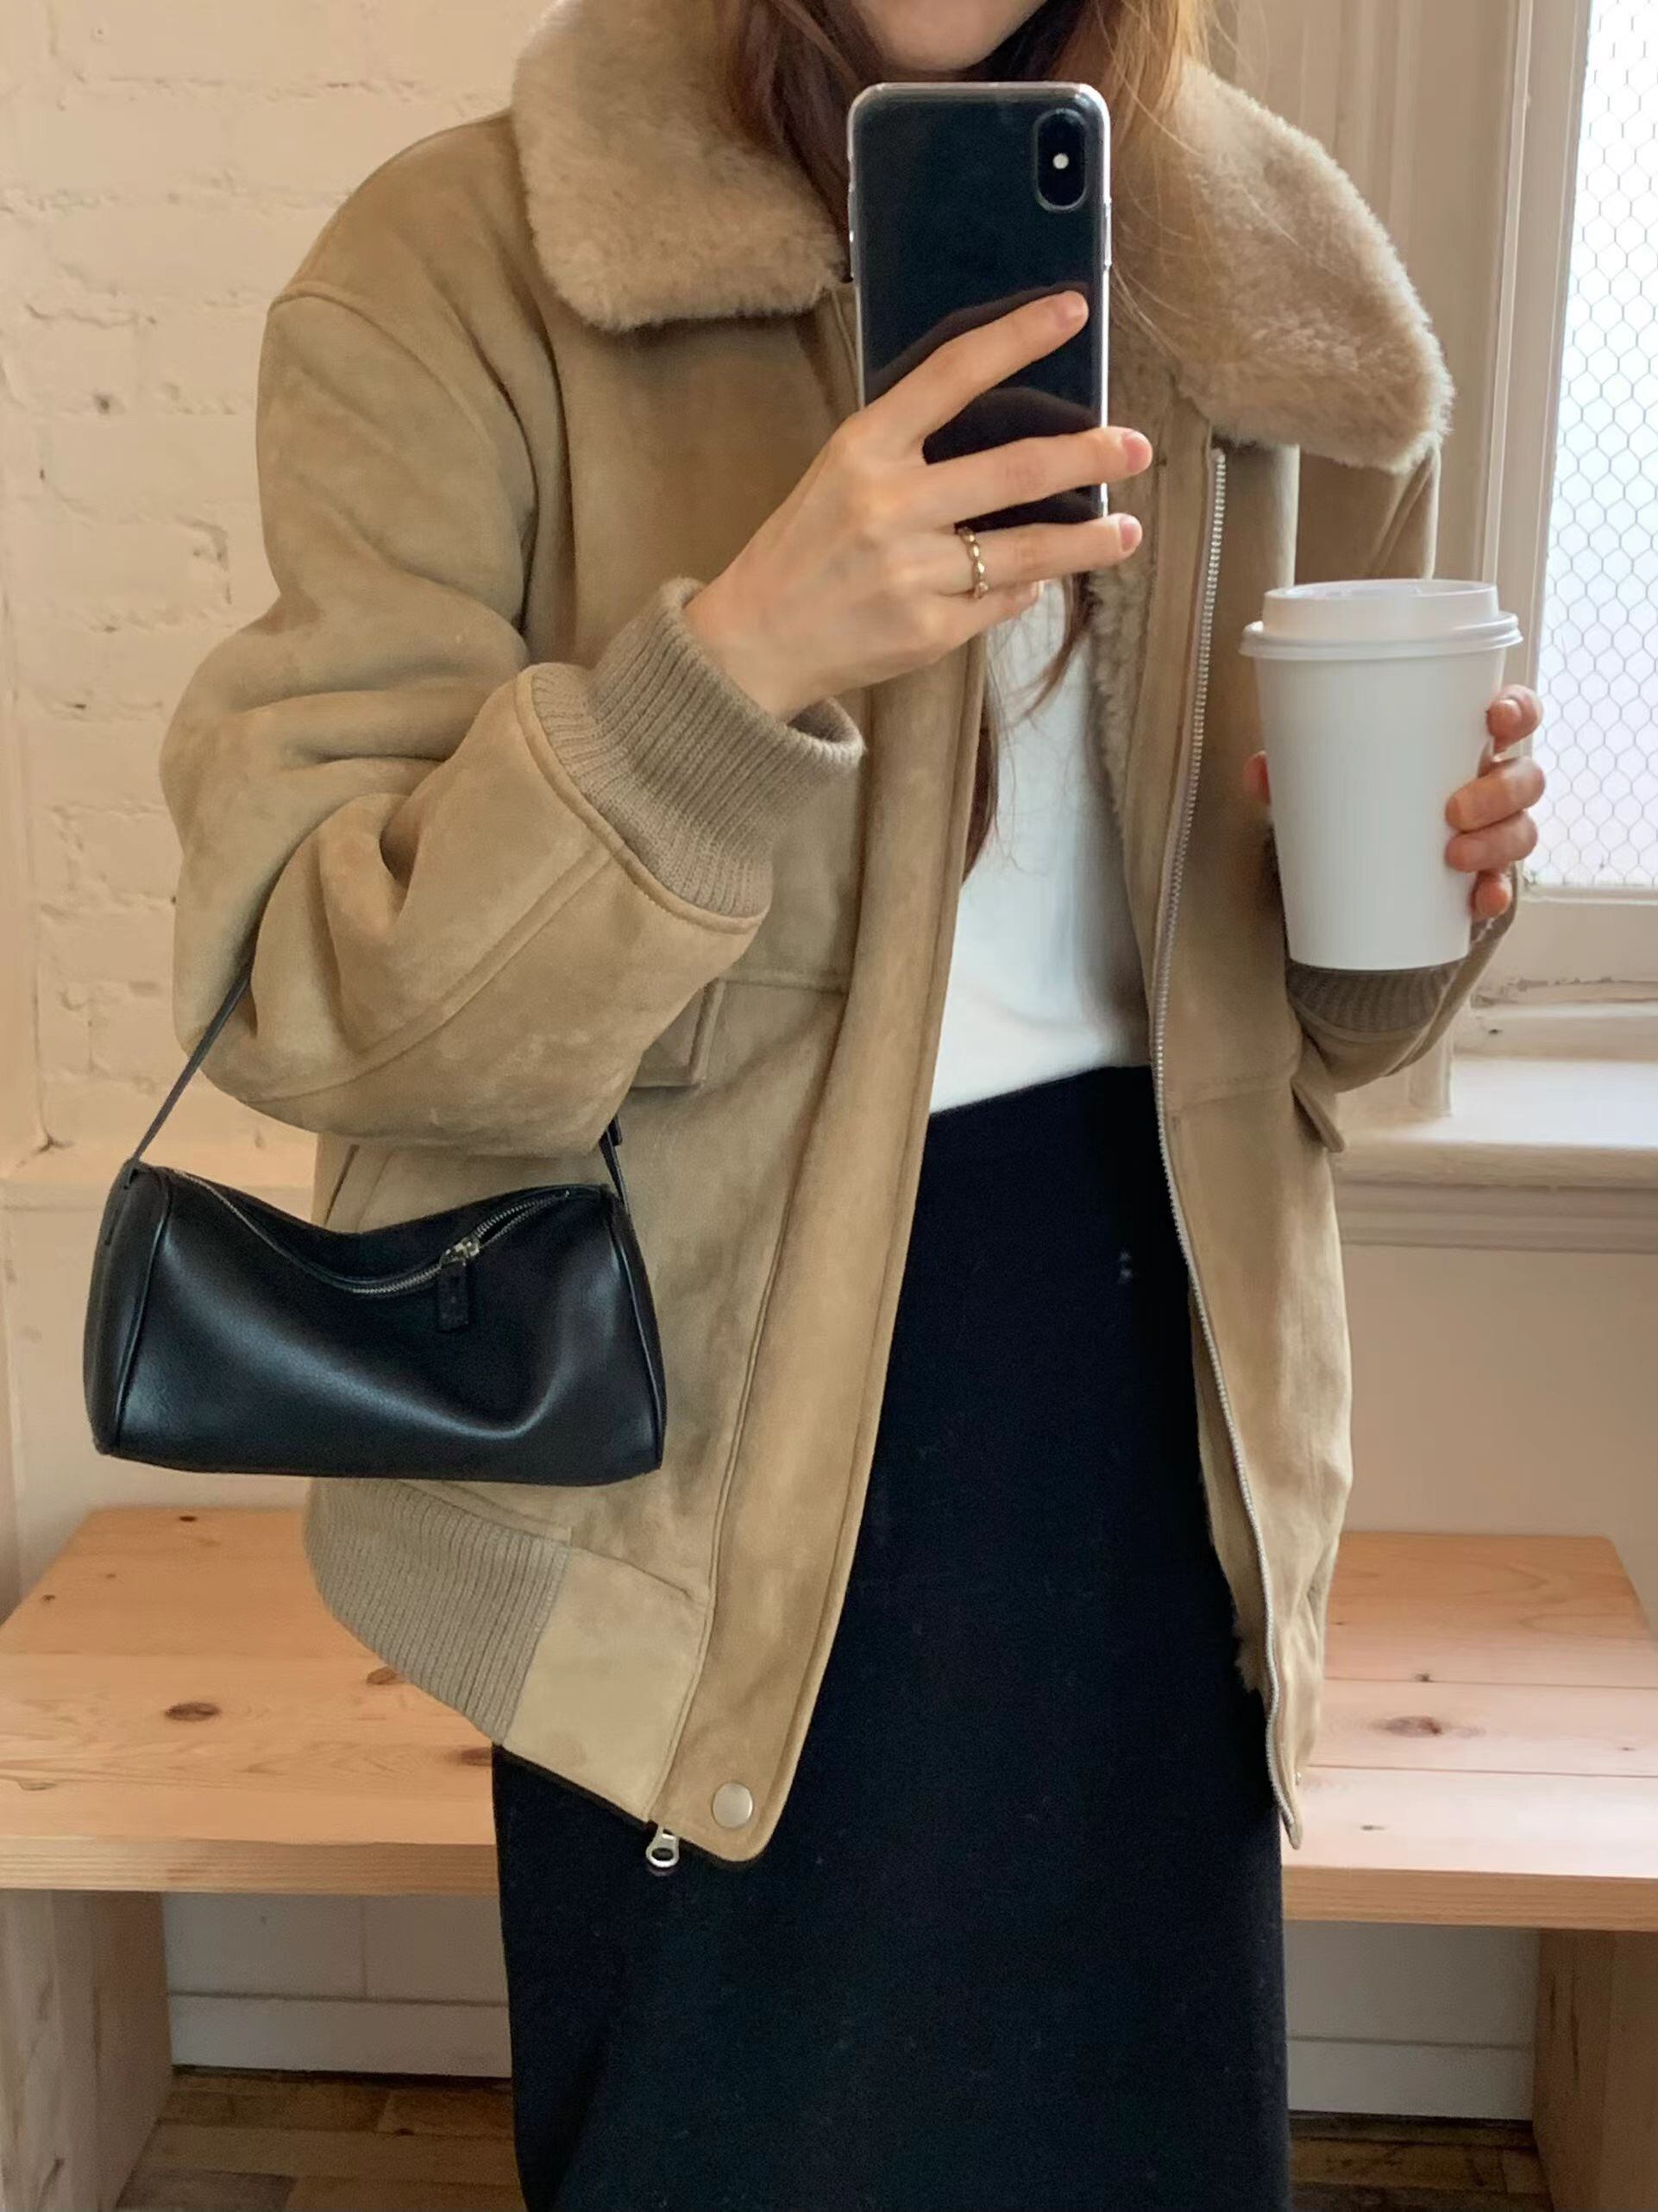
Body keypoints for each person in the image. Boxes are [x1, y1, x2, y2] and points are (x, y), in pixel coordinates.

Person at [160, 1, 1547, 2204]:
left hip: (1159, 1439)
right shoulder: (467, 264)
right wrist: (732, 670)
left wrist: (1419, 903)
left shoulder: (1278, 286)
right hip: (693, 1441)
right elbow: (317, 994)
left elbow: (1315, 1034)